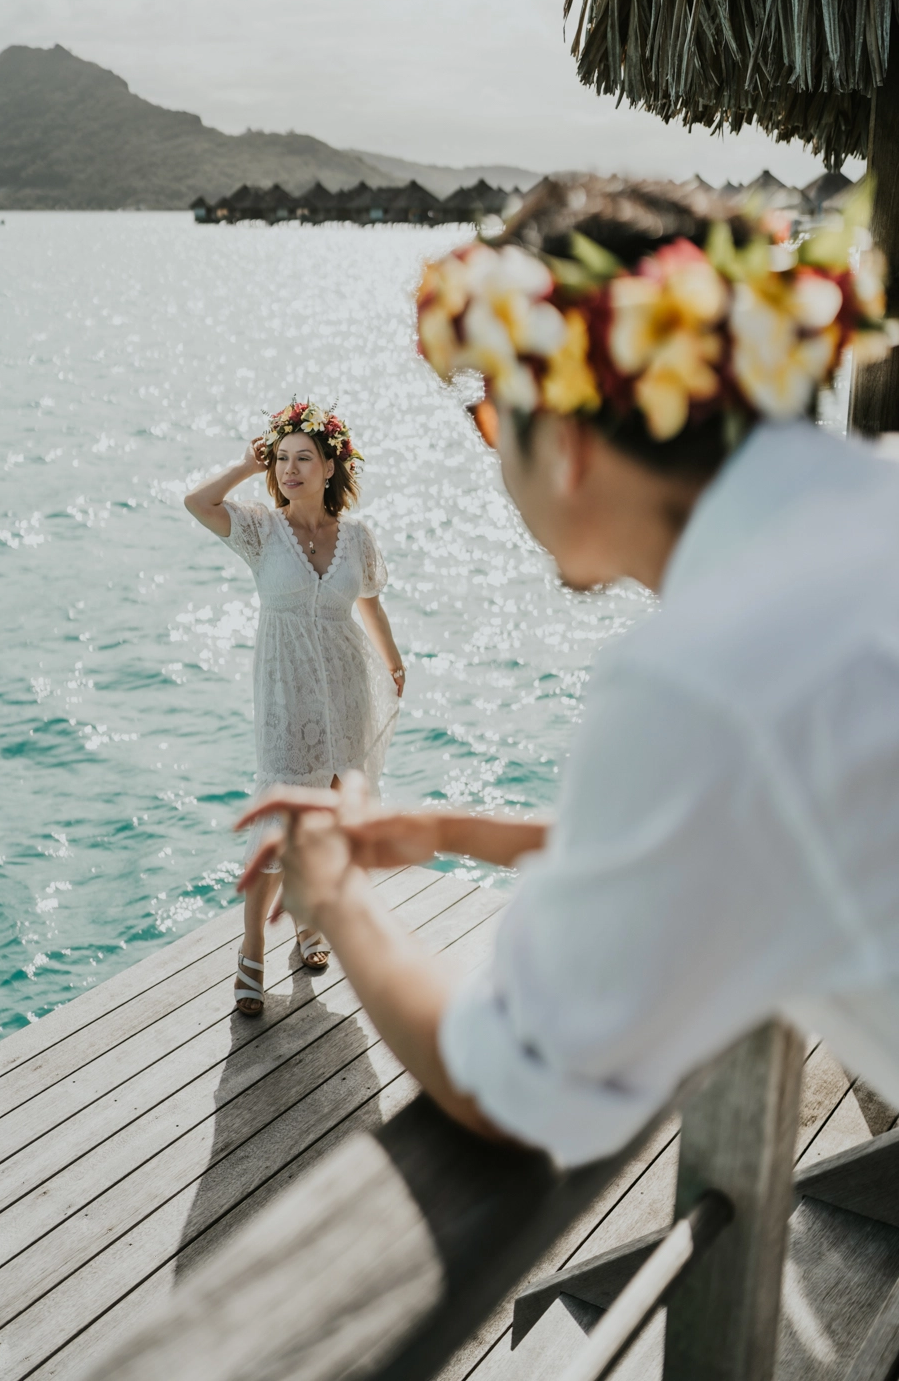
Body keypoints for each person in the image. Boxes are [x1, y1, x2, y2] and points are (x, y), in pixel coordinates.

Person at [236, 177, 899, 1162]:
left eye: (495, 426)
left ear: (570, 444)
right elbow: (746, 815)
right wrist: (457, 832)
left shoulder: (701, 674)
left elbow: (512, 1082)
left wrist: (338, 899)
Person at [184, 400, 404, 1015]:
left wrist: (394, 661)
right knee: (279, 818)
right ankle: (251, 951)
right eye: (281, 459)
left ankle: (308, 924)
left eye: (303, 459)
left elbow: (371, 605)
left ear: (330, 466)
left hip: (346, 685)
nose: (289, 470)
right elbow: (197, 504)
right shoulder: (259, 529)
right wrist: (242, 468)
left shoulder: (355, 536)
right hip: (286, 691)